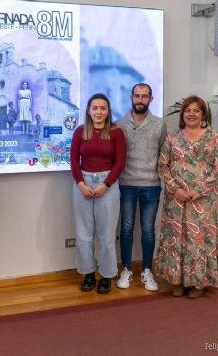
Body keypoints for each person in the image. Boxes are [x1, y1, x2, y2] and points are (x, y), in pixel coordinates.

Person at [156, 95, 218, 299]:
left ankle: (198, 283)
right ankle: (176, 281)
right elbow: (163, 166)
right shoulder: (172, 138)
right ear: (182, 114)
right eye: (188, 110)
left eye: (196, 110)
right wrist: (175, 189)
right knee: (175, 239)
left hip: (204, 201)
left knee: (198, 239)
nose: (191, 114)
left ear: (203, 114)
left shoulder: (216, 138)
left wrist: (200, 190)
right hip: (176, 199)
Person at [70, 93, 126, 294]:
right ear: (88, 110)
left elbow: (120, 162)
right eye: (95, 108)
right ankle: (88, 273)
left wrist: (106, 184)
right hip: (82, 184)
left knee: (106, 235)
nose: (99, 112)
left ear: (108, 111)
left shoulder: (116, 133)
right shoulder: (79, 132)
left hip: (108, 186)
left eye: (103, 108)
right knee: (84, 235)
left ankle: (107, 275)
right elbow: (73, 161)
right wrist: (81, 184)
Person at [115, 83, 167, 291]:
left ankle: (147, 270)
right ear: (131, 98)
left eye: (144, 96)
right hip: (126, 183)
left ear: (151, 99)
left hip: (151, 185)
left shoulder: (159, 124)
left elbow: (163, 154)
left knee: (148, 229)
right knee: (126, 228)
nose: (140, 100)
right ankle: (126, 269)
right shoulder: (119, 124)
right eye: (137, 96)